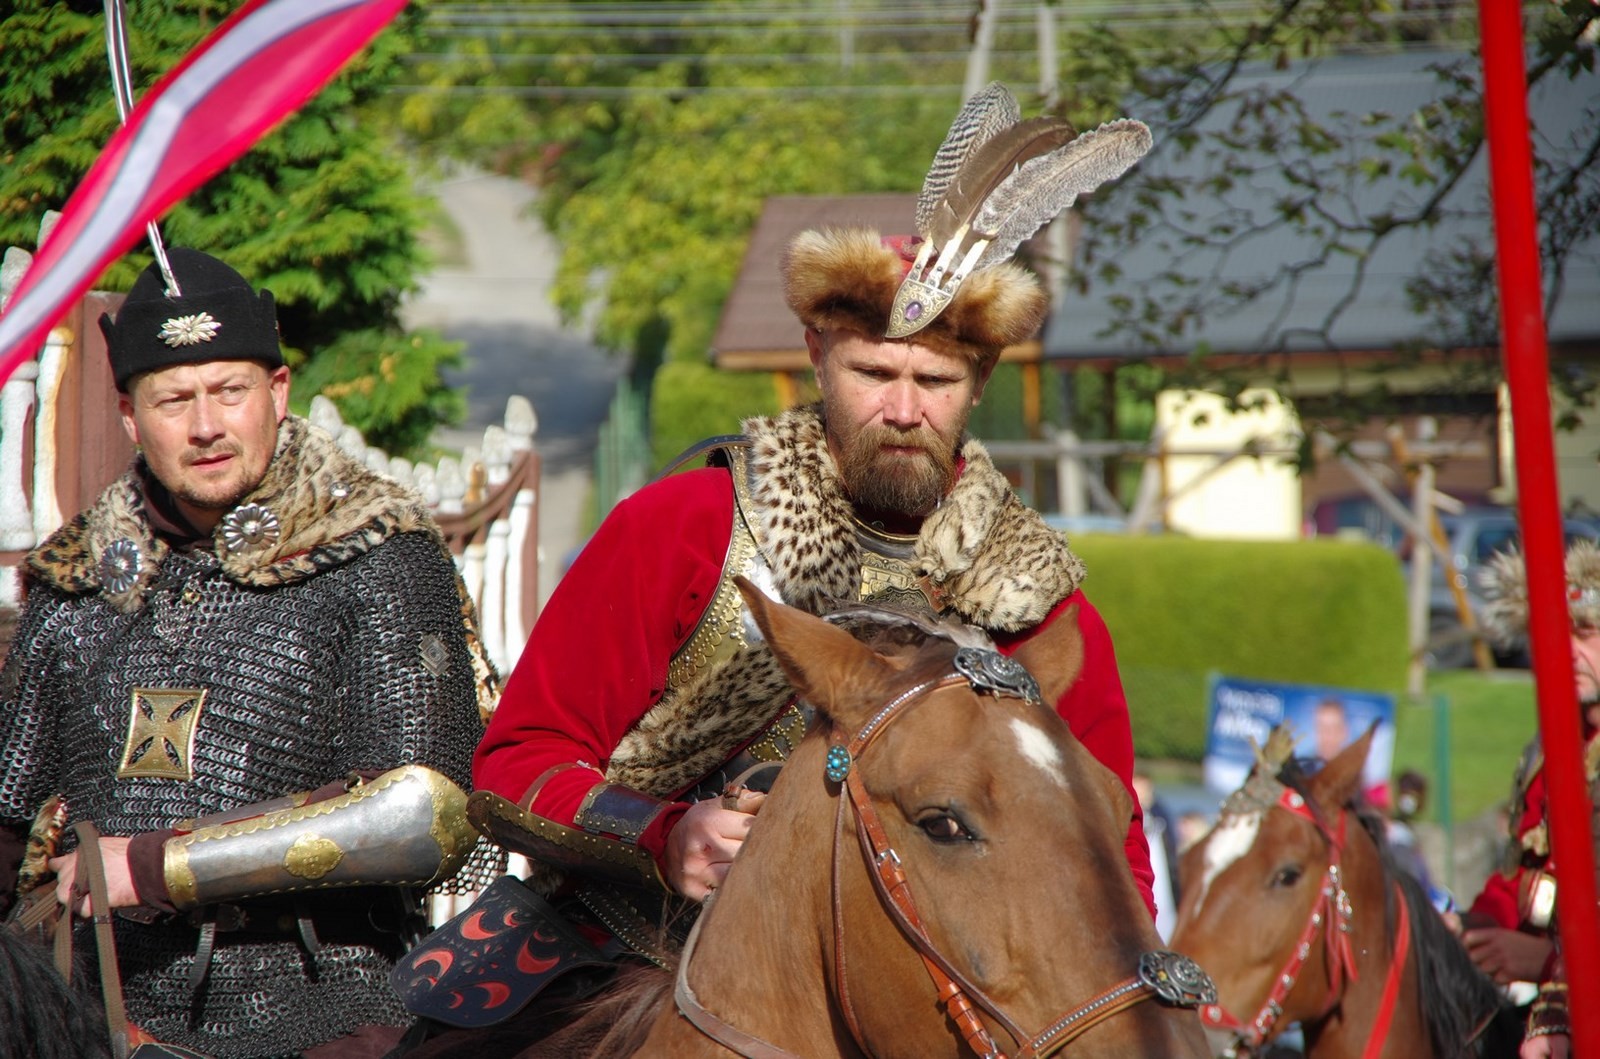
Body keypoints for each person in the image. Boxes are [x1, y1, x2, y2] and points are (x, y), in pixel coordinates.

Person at [447, 83, 1158, 1038]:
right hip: (620, 962)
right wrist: (663, 836)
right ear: (817, 353)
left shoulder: (1037, 604)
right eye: (874, 372)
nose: (903, 409)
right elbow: (516, 763)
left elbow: (1111, 847)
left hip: (927, 1014)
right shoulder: (683, 526)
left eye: (935, 380)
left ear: (979, 381)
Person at [0, 248, 498, 1058]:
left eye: (230, 390)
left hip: (323, 1004)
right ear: (129, 416)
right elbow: (9, 815)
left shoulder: (376, 556)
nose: (205, 425)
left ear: (278, 391)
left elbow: (421, 815)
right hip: (91, 1002)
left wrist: (155, 867)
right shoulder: (76, 581)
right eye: (174, 399)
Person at [1464, 543, 1600, 1058]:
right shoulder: (1550, 750)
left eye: (1584, 633)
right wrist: (1471, 931)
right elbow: (1522, 877)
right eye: (1557, 635)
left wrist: (1543, 963)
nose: (1567, 651)